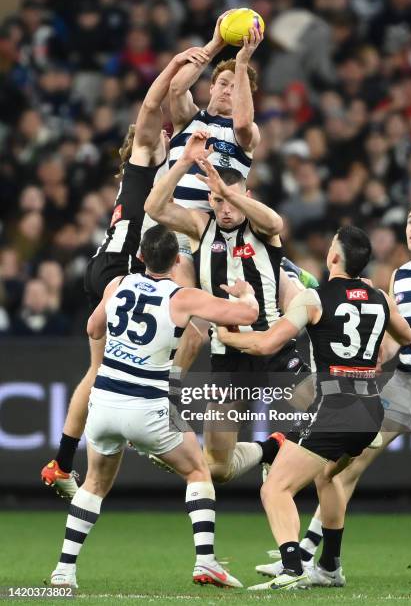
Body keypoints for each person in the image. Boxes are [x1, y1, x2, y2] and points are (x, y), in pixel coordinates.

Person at [49, 224, 259, 590]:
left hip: (104, 403)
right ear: (178, 260)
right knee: (198, 473)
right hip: (148, 406)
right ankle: (206, 561)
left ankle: (64, 570)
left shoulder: (117, 285)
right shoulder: (182, 297)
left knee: (95, 483)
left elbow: (92, 329)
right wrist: (249, 296)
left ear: (141, 256)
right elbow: (244, 316)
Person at [40, 46, 210, 498]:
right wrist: (175, 64)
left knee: (99, 370)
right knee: (192, 333)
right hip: (120, 270)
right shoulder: (146, 162)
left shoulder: (149, 173)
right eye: (163, 135)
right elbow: (153, 105)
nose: (167, 135)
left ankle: (61, 461)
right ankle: (163, 406)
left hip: (110, 267)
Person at [217, 225, 411, 591]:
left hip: (335, 406)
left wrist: (227, 335)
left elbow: (265, 344)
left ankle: (293, 568)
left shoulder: (313, 298)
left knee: (275, 489)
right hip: (371, 408)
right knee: (328, 477)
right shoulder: (380, 298)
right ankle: (330, 566)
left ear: (334, 256)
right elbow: (406, 337)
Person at [145, 130, 310, 484]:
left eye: (232, 201)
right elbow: (154, 208)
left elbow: (275, 222)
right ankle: (272, 448)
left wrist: (229, 190)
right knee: (217, 467)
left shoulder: (263, 229)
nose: (226, 210)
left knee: (324, 411)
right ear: (210, 200)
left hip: (272, 344)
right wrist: (184, 163)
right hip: (228, 353)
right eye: (218, 202)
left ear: (245, 197)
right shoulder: (201, 227)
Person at [142, 11, 263, 286]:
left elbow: (244, 123)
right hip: (174, 220)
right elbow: (176, 88)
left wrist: (242, 64)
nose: (228, 91)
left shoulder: (247, 132)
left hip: (217, 229)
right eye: (222, 83)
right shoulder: (189, 119)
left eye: (236, 87)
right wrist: (215, 44)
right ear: (210, 87)